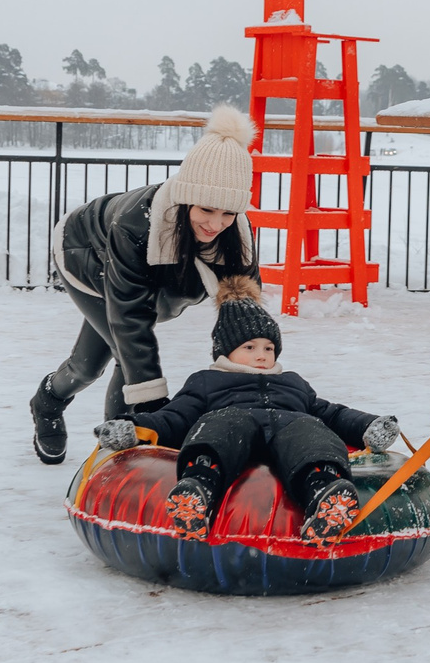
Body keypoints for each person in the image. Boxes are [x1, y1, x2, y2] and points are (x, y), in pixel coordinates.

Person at [29, 106, 259, 464]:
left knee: (91, 361)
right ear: (185, 198)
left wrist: (256, 383)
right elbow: (131, 320)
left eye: (228, 213)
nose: (216, 224)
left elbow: (247, 318)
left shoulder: (236, 235)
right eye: (206, 210)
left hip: (152, 278)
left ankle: (85, 419)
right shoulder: (135, 225)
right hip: (85, 255)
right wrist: (153, 411)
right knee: (121, 354)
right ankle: (110, 446)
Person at [93, 279, 401, 542]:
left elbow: (331, 413)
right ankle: (197, 490)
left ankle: (325, 493)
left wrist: (368, 426)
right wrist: (134, 428)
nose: (262, 356)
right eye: (250, 347)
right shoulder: (207, 381)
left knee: (310, 430)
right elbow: (174, 417)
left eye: (269, 348)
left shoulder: (292, 383)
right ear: (226, 351)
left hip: (288, 433)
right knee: (223, 423)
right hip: (233, 435)